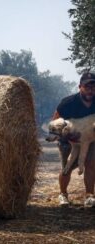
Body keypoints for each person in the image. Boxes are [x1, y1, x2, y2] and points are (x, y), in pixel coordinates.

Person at [51, 72, 95, 207]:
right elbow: (54, 124)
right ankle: (63, 195)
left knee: (91, 164)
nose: (91, 90)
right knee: (67, 168)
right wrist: (66, 136)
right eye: (87, 87)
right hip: (69, 140)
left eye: (94, 87)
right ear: (80, 86)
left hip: (91, 139)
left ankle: (89, 196)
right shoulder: (67, 103)